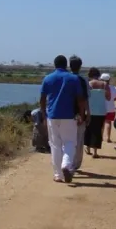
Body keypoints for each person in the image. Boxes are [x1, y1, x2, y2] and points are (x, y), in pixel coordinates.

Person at [40, 55, 85, 183]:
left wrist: (44, 115)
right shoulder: (73, 78)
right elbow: (80, 99)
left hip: (52, 116)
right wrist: (81, 114)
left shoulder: (48, 78)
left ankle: (58, 175)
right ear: (66, 65)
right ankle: (66, 165)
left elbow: (42, 98)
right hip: (69, 116)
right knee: (70, 143)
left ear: (54, 65)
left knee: (55, 145)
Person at [69, 55, 90, 172]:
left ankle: (67, 162)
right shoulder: (83, 80)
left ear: (69, 66)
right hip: (79, 114)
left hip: (65, 114)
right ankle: (75, 164)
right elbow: (85, 99)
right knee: (79, 140)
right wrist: (88, 114)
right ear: (80, 66)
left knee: (66, 140)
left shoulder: (65, 78)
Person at [84, 67, 110, 159]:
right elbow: (108, 97)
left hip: (89, 111)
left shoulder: (88, 84)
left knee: (88, 130)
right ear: (98, 75)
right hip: (101, 111)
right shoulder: (104, 84)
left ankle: (88, 148)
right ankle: (95, 152)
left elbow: (84, 97)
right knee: (97, 131)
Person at [100, 73, 116, 143]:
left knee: (101, 123)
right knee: (108, 122)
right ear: (109, 80)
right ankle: (108, 137)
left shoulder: (99, 88)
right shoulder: (113, 88)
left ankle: (101, 137)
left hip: (101, 108)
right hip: (111, 108)